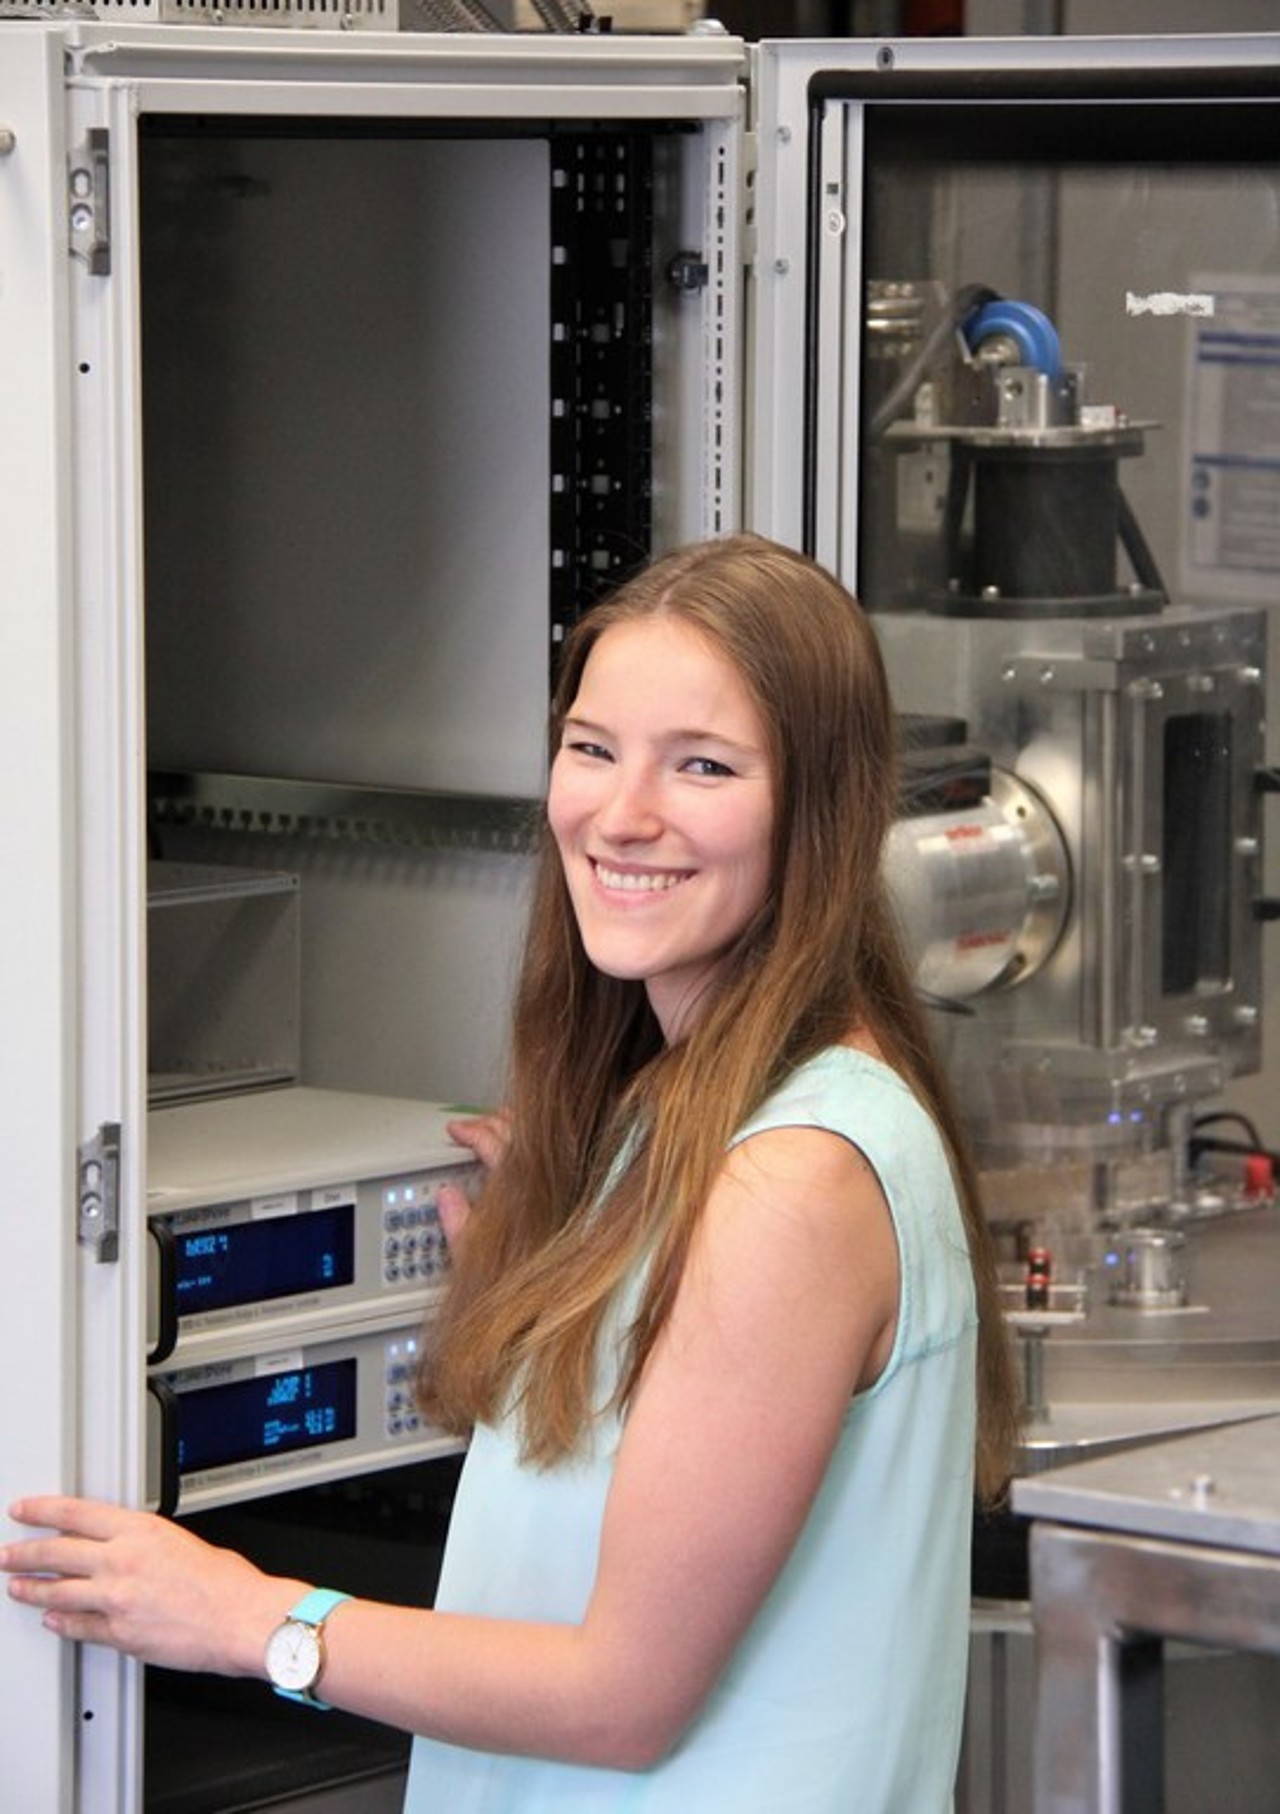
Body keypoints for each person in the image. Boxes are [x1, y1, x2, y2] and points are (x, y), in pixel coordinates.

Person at [2, 534, 1020, 1811]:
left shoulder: (793, 1179)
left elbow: (620, 1694)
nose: (621, 812)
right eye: (592, 748)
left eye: (701, 765)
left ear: (821, 807)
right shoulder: (697, 1121)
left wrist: (245, 1613)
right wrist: (561, 1287)